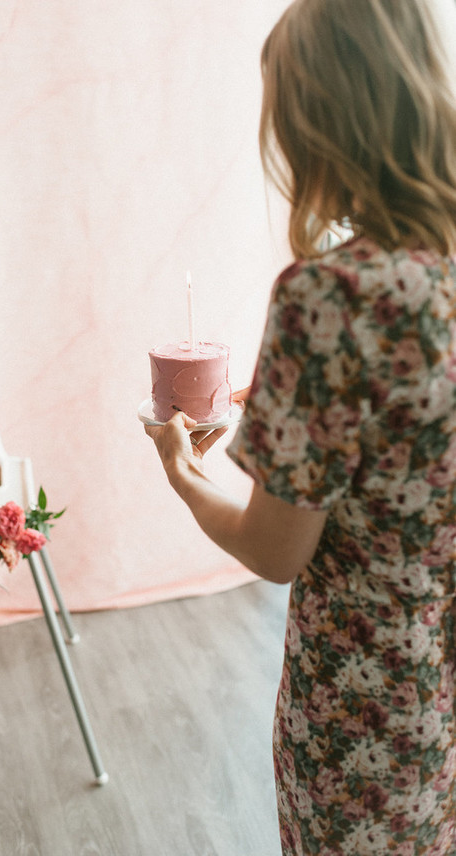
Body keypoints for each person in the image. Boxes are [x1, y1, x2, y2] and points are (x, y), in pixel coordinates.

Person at [145, 1, 456, 853]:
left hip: (372, 706)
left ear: (319, 119)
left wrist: (184, 474)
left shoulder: (330, 297)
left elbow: (278, 552)